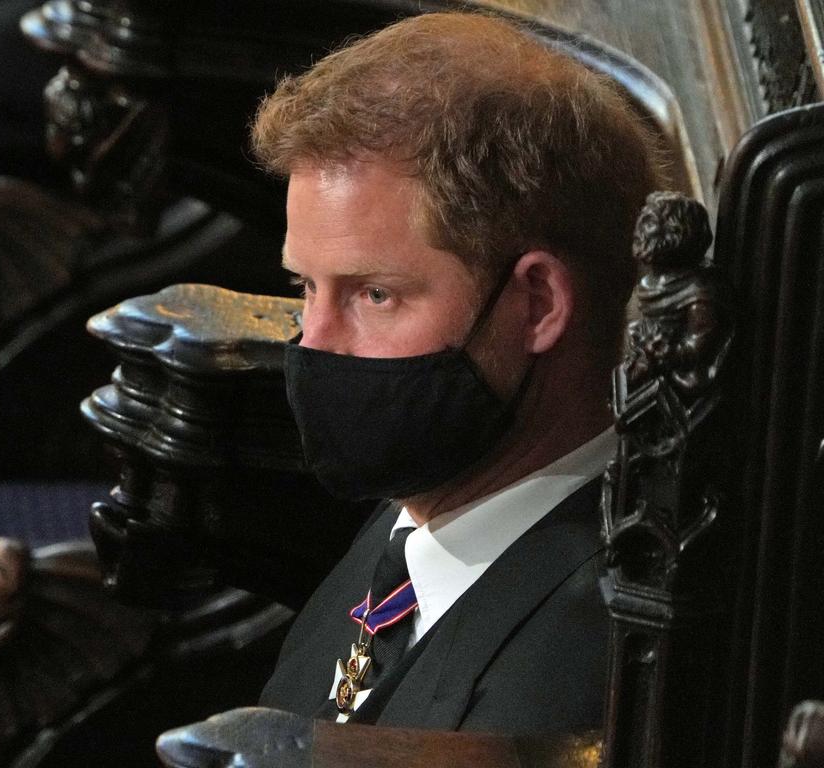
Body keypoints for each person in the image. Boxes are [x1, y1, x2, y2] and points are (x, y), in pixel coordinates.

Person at [253, 11, 661, 732]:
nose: (313, 344)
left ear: (536, 305)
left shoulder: (571, 680)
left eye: (374, 295)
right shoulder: (433, 504)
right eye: (304, 289)